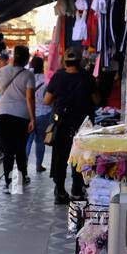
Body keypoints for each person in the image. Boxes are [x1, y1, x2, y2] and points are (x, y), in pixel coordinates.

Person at [44, 47, 95, 204]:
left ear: (64, 61)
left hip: (62, 124)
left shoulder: (58, 77)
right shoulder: (87, 77)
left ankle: (59, 191)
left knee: (60, 158)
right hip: (82, 126)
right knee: (80, 157)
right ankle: (77, 191)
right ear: (80, 61)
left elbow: (46, 100)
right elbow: (97, 99)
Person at [0, 44, 35, 191]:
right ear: (27, 58)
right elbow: (29, 99)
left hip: (2, 114)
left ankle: (9, 182)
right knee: (20, 148)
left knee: (8, 149)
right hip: (21, 116)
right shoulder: (28, 75)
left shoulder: (1, 71)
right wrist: (33, 119)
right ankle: (20, 180)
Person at [26, 55, 51, 173]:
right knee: (40, 141)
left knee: (28, 141)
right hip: (43, 114)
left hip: (28, 114)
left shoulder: (27, 78)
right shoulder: (46, 80)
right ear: (42, 66)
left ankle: (23, 167)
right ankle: (38, 165)